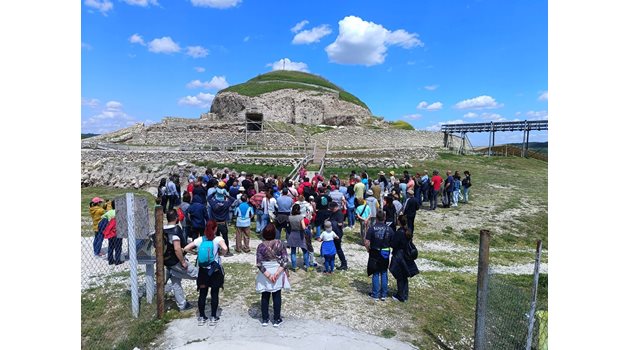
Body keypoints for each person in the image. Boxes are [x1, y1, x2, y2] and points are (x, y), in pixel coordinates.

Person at [183, 219, 227, 325]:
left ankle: (202, 317)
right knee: (214, 293)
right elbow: (225, 248)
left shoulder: (200, 240)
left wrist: (194, 253)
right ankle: (213, 317)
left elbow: (185, 248)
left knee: (202, 294)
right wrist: (221, 253)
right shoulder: (218, 239)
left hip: (203, 271)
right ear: (215, 228)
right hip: (214, 270)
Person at [256, 224, 290, 327]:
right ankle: (276, 319)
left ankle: (265, 319)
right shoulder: (280, 244)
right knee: (276, 295)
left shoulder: (261, 246)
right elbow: (285, 260)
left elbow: (259, 263)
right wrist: (276, 274)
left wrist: (268, 275)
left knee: (265, 295)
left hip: (265, 272)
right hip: (277, 269)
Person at [163, 209, 198, 312]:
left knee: (176, 283)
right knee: (196, 274)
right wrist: (183, 262)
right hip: (176, 261)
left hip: (167, 261)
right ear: (176, 218)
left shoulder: (162, 229)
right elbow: (177, 248)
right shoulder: (174, 231)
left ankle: (182, 305)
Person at [389, 216, 419, 302]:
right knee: (404, 276)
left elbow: (393, 244)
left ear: (399, 222)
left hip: (399, 256)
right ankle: (405, 294)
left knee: (400, 276)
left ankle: (400, 296)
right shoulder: (408, 231)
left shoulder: (399, 232)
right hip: (406, 256)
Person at [365, 211, 393, 301]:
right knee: (384, 272)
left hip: (374, 251)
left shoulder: (372, 228)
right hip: (385, 252)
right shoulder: (389, 229)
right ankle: (384, 294)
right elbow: (393, 242)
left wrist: (368, 250)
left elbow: (366, 242)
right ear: (384, 218)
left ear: (376, 218)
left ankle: (375, 294)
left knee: (375, 273)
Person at [208, 189, 236, 257]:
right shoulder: (225, 204)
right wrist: (226, 194)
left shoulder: (214, 204)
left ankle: (217, 251)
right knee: (225, 238)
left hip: (215, 224)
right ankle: (226, 251)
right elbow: (233, 199)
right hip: (223, 223)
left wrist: (214, 193)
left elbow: (208, 198)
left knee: (216, 238)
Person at [287, 204, 310, 271]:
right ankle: (307, 266)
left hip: (292, 234)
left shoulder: (290, 217)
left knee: (293, 251)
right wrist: (307, 227)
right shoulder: (300, 217)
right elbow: (303, 227)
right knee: (305, 251)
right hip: (300, 234)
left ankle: (294, 267)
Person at [328, 202, 348, 270]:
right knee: (332, 248)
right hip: (332, 233)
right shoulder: (333, 212)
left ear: (336, 207)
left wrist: (333, 223)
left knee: (338, 249)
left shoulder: (339, 213)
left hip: (337, 233)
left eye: (332, 209)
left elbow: (340, 224)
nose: (331, 210)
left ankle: (344, 264)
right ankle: (331, 262)